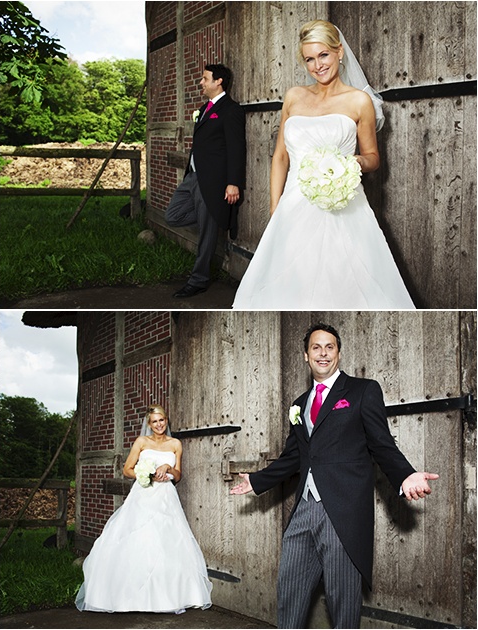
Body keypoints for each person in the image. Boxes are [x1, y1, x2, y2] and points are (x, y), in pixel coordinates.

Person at [229, 323, 438, 628]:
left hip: (343, 511)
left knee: (342, 601)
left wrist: (404, 475)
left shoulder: (363, 390)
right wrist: (257, 480)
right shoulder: (299, 405)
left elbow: (381, 444)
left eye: (330, 347)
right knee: (289, 594)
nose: (323, 353)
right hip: (303, 510)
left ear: (338, 353)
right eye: (316, 347)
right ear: (306, 355)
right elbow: (294, 457)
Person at [232, 20, 415, 309]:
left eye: (324, 55)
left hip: (342, 208)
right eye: (309, 59)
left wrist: (350, 162)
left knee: (344, 282)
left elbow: (373, 158)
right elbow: (280, 156)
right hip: (292, 209)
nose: (317, 65)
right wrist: (275, 208)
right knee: (292, 283)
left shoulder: (359, 101)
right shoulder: (293, 97)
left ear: (339, 52)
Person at [75, 405, 212, 613]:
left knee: (168, 540)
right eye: (155, 421)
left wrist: (168, 468)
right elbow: (127, 469)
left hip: (166, 496)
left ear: (166, 421)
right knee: (139, 538)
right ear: (149, 424)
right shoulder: (141, 442)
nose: (159, 425)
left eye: (162, 420)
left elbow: (178, 476)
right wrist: (146, 474)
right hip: (143, 495)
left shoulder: (175, 444)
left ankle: (168, 597)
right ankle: (128, 596)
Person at [167, 63, 246, 299]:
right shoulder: (204, 109)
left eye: (204, 78)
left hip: (212, 181)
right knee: (173, 215)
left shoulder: (230, 110)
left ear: (218, 81)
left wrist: (233, 182)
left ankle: (198, 280)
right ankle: (212, 218)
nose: (201, 82)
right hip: (192, 177)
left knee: (206, 234)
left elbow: (236, 149)